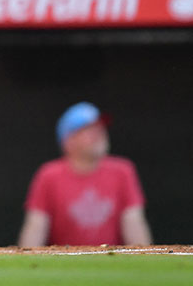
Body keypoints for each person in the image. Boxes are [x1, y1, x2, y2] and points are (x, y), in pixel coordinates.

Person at [18, 102, 152, 247]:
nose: (99, 133)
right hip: (64, 265)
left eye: (99, 127)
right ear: (68, 141)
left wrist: (147, 264)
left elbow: (134, 223)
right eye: (88, 130)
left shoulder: (123, 171)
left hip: (112, 264)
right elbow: (35, 227)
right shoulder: (49, 175)